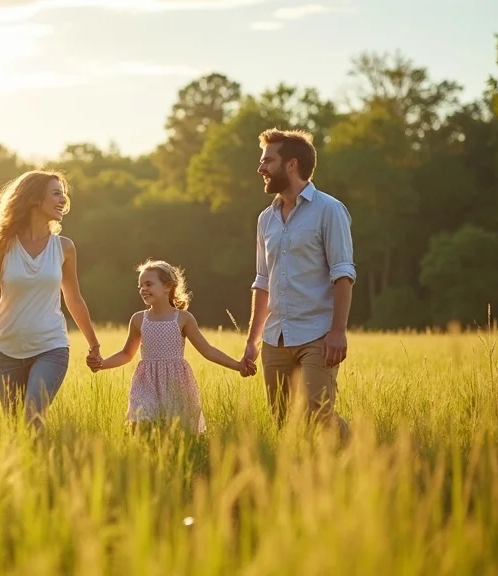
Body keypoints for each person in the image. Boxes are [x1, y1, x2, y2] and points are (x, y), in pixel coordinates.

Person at [239, 128, 355, 442]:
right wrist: (253, 340)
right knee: (283, 424)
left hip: (317, 334)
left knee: (318, 412)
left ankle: (359, 452)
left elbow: (343, 274)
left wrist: (338, 331)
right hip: (275, 337)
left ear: (291, 164)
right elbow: (262, 282)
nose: (261, 168)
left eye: (268, 160)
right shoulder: (266, 219)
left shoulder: (329, 210)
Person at [0, 170, 101, 430]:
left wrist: (94, 344)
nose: (64, 200)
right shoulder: (2, 245)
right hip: (6, 352)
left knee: (32, 417)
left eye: (64, 194)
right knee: (16, 429)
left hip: (51, 348)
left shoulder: (64, 247)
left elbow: (73, 299)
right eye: (56, 193)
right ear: (35, 198)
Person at [89, 259, 254, 435]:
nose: (143, 289)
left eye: (149, 284)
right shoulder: (138, 319)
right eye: (140, 285)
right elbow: (126, 354)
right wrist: (102, 364)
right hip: (146, 382)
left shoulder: (183, 318)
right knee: (141, 427)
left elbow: (207, 350)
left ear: (168, 286)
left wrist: (238, 365)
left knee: (176, 431)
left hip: (176, 383)